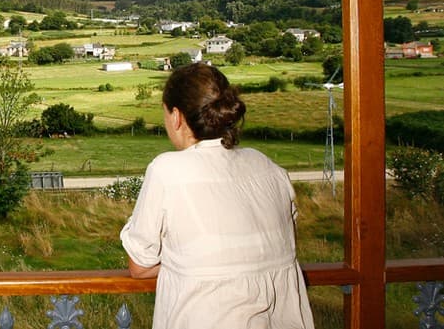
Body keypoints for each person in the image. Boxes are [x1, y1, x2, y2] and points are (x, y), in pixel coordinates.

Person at [120, 62, 314, 329]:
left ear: (176, 117)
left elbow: (140, 266)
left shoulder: (168, 170)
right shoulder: (267, 166)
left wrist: (188, 258)